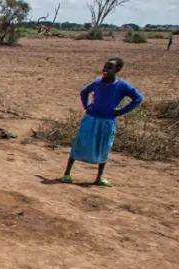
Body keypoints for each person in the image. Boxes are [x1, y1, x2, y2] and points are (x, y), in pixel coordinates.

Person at [61, 57, 144, 187]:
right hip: (91, 118)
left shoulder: (122, 86)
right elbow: (84, 92)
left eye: (109, 67)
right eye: (105, 66)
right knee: (80, 142)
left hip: (107, 121)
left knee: (104, 146)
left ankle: (99, 178)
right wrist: (86, 106)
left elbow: (138, 98)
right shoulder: (97, 82)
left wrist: (121, 111)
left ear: (118, 69)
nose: (105, 69)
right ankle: (67, 173)